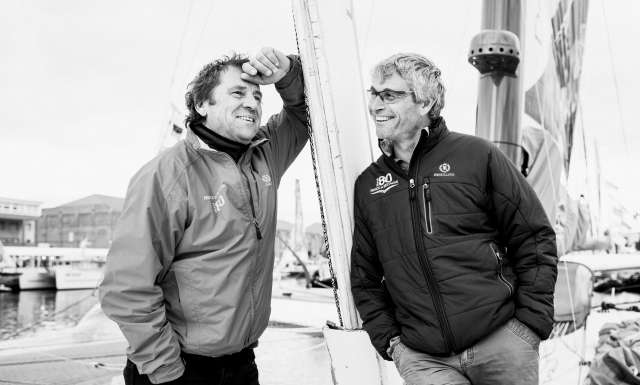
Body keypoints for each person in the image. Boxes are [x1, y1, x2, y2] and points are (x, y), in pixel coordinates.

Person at [99, 47, 308, 385]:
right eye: (237, 93)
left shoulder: (264, 155)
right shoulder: (166, 175)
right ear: (201, 105)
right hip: (177, 368)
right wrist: (167, 371)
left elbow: (303, 114)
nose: (253, 104)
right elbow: (126, 287)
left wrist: (287, 73)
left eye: (257, 96)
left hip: (241, 364)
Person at [350, 53, 558, 385]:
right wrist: (392, 343)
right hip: (425, 359)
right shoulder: (369, 185)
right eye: (373, 93)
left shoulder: (478, 156)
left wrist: (530, 324)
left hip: (501, 342)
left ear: (425, 102)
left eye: (389, 94)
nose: (376, 103)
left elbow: (533, 237)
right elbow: (364, 277)